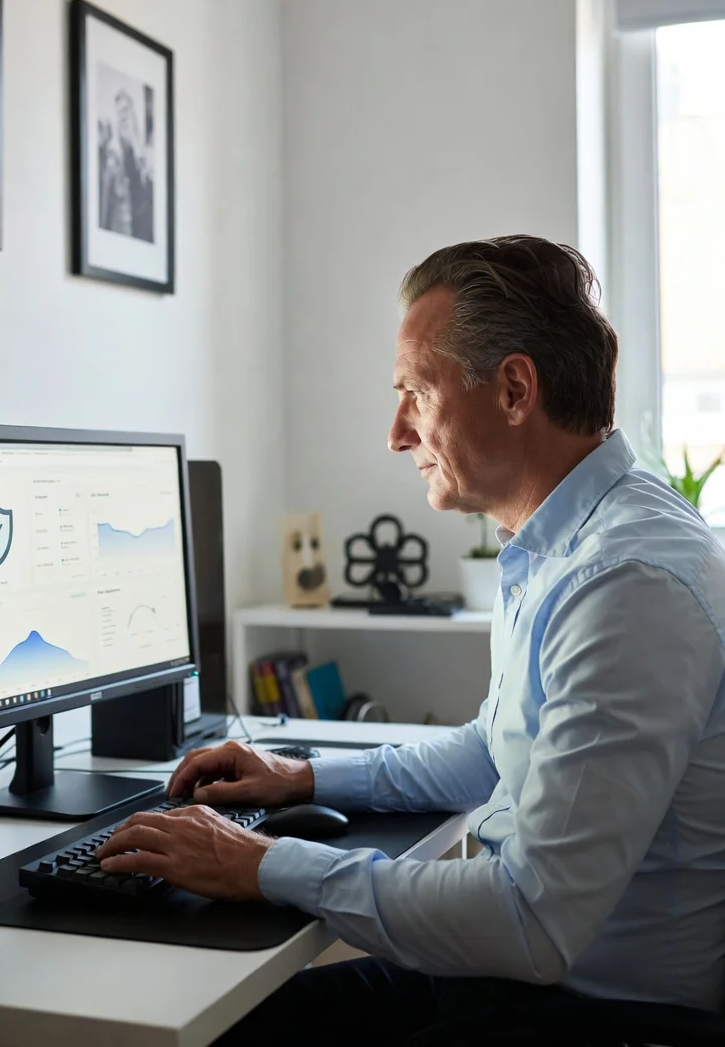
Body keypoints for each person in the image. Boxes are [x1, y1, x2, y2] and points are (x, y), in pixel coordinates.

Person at [96, 236, 725, 1044]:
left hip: (599, 1017)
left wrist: (258, 865)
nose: (396, 433)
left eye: (415, 395)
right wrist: (299, 778)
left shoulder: (625, 583)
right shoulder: (569, 540)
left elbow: (533, 920)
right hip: (527, 986)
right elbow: (493, 750)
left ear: (513, 390)